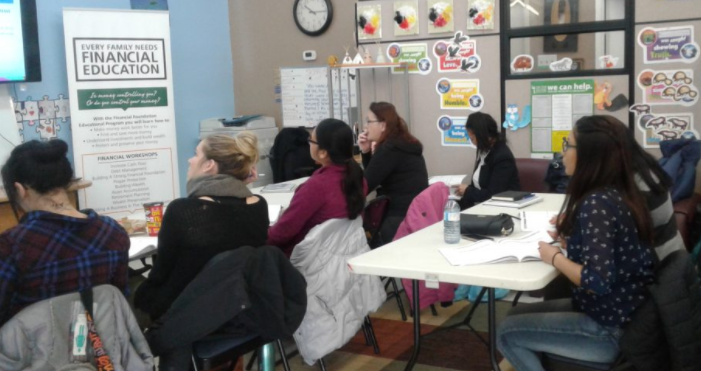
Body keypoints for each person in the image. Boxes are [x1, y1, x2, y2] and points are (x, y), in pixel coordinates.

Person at [497, 116, 655, 370]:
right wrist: (572, 241)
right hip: (622, 314)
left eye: (567, 145)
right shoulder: (616, 192)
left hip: (609, 331)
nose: (562, 153)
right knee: (514, 316)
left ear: (588, 155)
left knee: (506, 332)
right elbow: (610, 254)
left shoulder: (597, 203)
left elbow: (598, 281)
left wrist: (554, 257)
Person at [134, 132, 268, 321]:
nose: (190, 160)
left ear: (209, 165)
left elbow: (161, 274)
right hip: (238, 307)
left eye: (196, 154)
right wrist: (238, 184)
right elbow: (231, 214)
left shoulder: (183, 211)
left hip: (186, 313)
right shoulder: (259, 205)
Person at [0, 140, 129, 326]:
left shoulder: (11, 245)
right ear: (67, 182)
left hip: (34, 352)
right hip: (99, 346)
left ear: (19, 189)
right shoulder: (113, 232)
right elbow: (118, 298)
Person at [268, 118, 367, 256]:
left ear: (323, 152)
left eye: (311, 141)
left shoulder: (316, 187)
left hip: (307, 259)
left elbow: (281, 234)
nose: (309, 144)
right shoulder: (357, 177)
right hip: (343, 256)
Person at [357, 102, 428, 245]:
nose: (365, 127)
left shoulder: (389, 149)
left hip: (396, 218)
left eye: (369, 121)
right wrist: (366, 152)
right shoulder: (402, 143)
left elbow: (365, 185)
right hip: (414, 214)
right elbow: (376, 174)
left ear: (383, 125)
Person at [456, 112, 520, 210]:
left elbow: (494, 195)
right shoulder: (484, 150)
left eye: (472, 138)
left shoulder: (503, 157)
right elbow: (480, 186)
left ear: (481, 135)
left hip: (499, 209)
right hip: (480, 206)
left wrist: (467, 190)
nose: (472, 142)